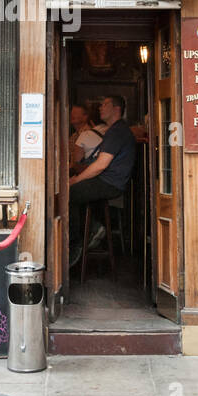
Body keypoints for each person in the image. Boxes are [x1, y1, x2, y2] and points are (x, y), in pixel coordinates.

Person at [68, 94, 136, 267]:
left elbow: (101, 165)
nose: (100, 107)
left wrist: (76, 180)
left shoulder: (118, 131)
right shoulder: (114, 130)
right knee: (74, 190)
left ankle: (77, 244)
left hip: (110, 183)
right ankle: (93, 227)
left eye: (105, 104)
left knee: (68, 194)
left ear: (116, 109)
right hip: (106, 181)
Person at [69, 104, 103, 174]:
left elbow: (76, 163)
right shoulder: (74, 135)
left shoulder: (87, 134)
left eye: (75, 113)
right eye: (71, 113)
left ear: (85, 117)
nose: (72, 116)